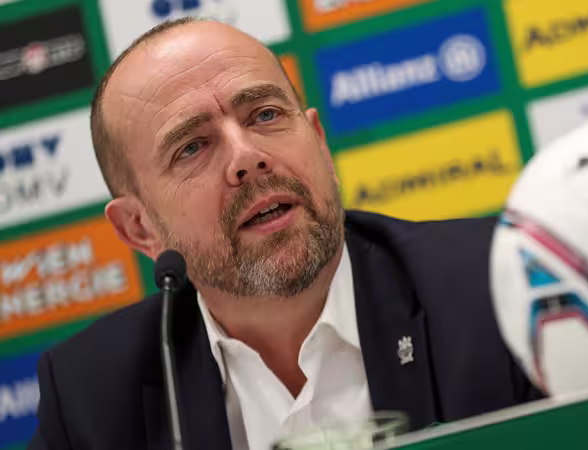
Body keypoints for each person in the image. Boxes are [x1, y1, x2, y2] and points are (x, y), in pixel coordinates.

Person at [29, 18, 541, 450]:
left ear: (319, 142)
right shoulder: (92, 397)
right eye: (192, 147)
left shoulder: (498, 286)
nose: (246, 157)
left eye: (266, 115)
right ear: (139, 228)